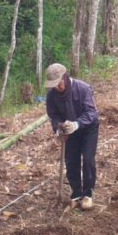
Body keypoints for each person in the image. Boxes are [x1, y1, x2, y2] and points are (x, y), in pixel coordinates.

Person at [45, 63, 100, 210]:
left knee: (88, 160)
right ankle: (76, 194)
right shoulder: (51, 96)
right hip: (68, 133)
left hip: (88, 129)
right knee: (71, 162)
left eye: (58, 84)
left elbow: (91, 113)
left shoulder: (83, 88)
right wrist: (59, 128)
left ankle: (88, 194)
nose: (57, 88)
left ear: (65, 77)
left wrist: (76, 124)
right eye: (53, 86)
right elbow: (53, 116)